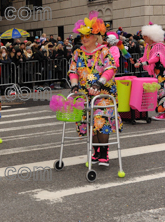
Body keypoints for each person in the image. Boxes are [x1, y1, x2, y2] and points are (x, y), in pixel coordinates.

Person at [69, 11, 123, 166]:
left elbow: (111, 68)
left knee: (101, 120)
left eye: (88, 35)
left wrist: (99, 83)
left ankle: (104, 152)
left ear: (96, 37)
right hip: (84, 94)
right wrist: (74, 85)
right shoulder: (78, 52)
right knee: (88, 122)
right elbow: (73, 71)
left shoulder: (104, 51)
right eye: (83, 36)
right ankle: (96, 151)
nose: (84, 39)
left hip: (103, 93)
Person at [134, 23, 165, 120]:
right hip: (156, 73)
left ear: (152, 37)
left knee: (162, 92)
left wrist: (143, 63)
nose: (144, 38)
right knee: (159, 92)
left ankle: (163, 113)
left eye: (145, 36)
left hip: (162, 72)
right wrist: (137, 61)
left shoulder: (159, 45)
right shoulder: (148, 46)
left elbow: (157, 57)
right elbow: (144, 58)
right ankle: (161, 112)